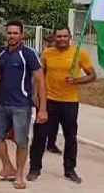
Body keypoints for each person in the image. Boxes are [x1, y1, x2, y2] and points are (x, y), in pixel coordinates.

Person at [27, 27, 95, 184]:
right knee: (39, 136)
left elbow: (92, 75)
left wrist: (76, 80)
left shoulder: (79, 53)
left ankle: (70, 169)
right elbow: (39, 75)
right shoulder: (47, 53)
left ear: (70, 37)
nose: (62, 39)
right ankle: (34, 168)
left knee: (70, 137)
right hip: (48, 101)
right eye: (59, 36)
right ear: (54, 37)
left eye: (65, 36)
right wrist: (35, 93)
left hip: (70, 102)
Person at [0, 21, 46, 190]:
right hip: (2, 104)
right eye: (9, 33)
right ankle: (8, 167)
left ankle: (20, 174)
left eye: (15, 33)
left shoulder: (29, 54)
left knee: (21, 141)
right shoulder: (0, 53)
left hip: (21, 105)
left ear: (22, 35)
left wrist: (42, 108)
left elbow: (40, 80)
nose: (12, 36)